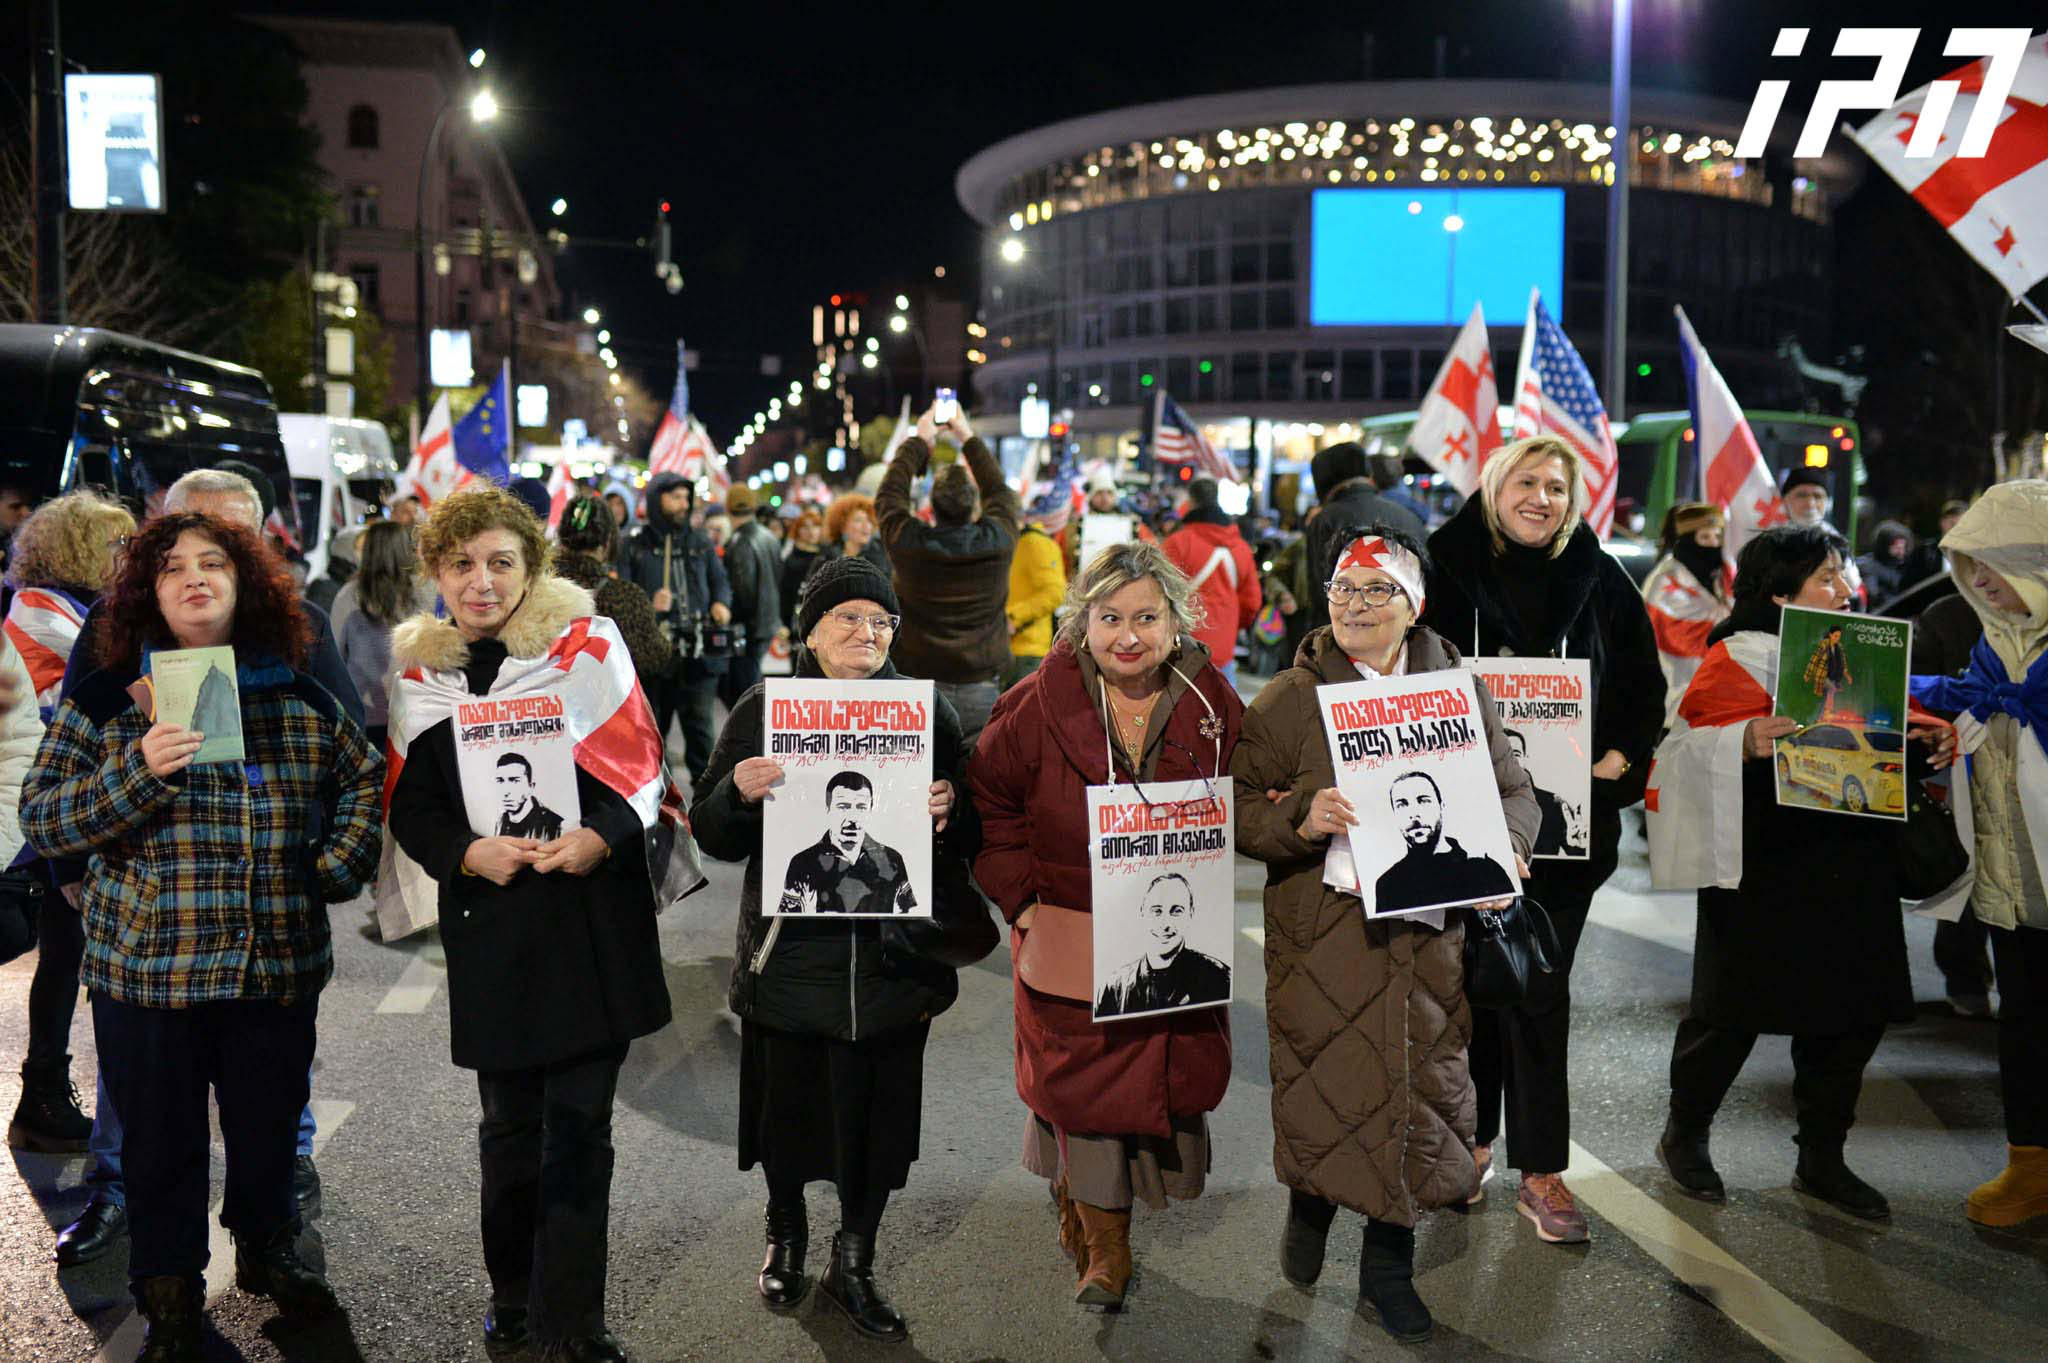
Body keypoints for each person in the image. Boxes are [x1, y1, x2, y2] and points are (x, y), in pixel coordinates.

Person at [21, 511, 383, 1360]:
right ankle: (169, 1287)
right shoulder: (111, 695)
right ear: (148, 591)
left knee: (267, 1134)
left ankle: (267, 1250)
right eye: (174, 567)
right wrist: (137, 769)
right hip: (150, 975)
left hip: (272, 963)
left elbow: (362, 776)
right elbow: (44, 815)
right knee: (159, 1145)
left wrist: (334, 864)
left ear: (243, 580)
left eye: (213, 563)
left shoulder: (294, 687)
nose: (195, 579)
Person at [386, 486, 674, 1363]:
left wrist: (603, 836)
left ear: (530, 567)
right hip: (497, 929)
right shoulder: (418, 676)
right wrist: (469, 854)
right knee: (509, 1131)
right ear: (437, 572)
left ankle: (574, 1322)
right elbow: (412, 805)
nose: (482, 582)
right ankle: (512, 1296)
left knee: (583, 1129)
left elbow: (644, 767)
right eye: (462, 563)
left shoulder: (588, 647)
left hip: (592, 924)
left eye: (501, 562)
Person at [1234, 523, 1535, 1342]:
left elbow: (1515, 787)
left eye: (1378, 590)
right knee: (1326, 1085)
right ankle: (1309, 1205)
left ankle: (1387, 1268)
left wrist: (1509, 843)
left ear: (1415, 605)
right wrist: (1301, 813)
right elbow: (1234, 805)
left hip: (1430, 941)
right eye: (1343, 589)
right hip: (1324, 936)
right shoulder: (1291, 697)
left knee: (1418, 1094)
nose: (1358, 604)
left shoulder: (1458, 690)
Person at [693, 553, 976, 1343]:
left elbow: (975, 837)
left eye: (882, 621)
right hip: (789, 961)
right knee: (789, 1118)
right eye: (849, 617)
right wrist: (737, 794)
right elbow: (709, 834)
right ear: (811, 630)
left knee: (878, 1130)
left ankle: (856, 1260)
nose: (868, 632)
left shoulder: (930, 714)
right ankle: (786, 1233)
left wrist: (951, 809)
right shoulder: (765, 706)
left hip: (894, 966)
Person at [968, 540, 1244, 1313]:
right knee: (1084, 1088)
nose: (1129, 633)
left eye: (1148, 616)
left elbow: (1253, 787)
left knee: (1160, 1081)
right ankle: (1106, 1248)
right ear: (1080, 623)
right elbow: (989, 806)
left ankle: (1085, 1207)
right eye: (1111, 616)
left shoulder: (1210, 699)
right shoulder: (1030, 704)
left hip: (1171, 934)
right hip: (1070, 932)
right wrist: (1021, 900)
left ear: (1178, 620)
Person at [1646, 524, 1932, 1221]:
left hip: (1851, 860)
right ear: (1779, 593)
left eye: (1845, 573)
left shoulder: (1863, 654)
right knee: (1731, 1016)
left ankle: (1822, 1157)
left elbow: (1893, 735)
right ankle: (1687, 1132)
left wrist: (1926, 735)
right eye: (1827, 577)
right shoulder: (1733, 660)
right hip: (1764, 865)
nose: (1846, 588)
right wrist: (1740, 738)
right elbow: (1678, 752)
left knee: (1851, 1014)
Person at [1423, 434, 1665, 1244]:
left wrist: (1616, 763)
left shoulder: (1601, 576)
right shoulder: (1439, 570)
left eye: (1557, 486)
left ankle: (1540, 1170)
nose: (1541, 497)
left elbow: (1643, 686)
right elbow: (1400, 675)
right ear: (1493, 486)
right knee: (1471, 994)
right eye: (1525, 481)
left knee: (1537, 990)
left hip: (1565, 835)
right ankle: (1471, 1148)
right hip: (1462, 825)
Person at [1908, 481, 2048, 1228]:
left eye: (1999, 560)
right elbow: (1961, 695)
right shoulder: (1993, 646)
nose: (1984, 579)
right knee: (2024, 1031)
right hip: (2013, 887)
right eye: (1972, 564)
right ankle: (2031, 1166)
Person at [4, 491, 131, 1157]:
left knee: (64, 955)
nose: (129, 559)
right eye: (118, 547)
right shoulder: (61, 627)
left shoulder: (39, 613)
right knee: (64, 955)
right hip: (41, 824)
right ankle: (45, 1094)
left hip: (42, 819)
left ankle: (44, 1094)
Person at [875, 406, 1021, 742]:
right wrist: (966, 437)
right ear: (974, 506)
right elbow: (1000, 492)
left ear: (932, 508)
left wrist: (919, 441)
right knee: (979, 779)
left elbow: (888, 497)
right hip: (981, 683)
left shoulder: (909, 543)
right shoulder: (997, 542)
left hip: (918, 684)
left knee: (921, 782)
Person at [624, 472, 732, 784]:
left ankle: (705, 810)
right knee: (652, 736)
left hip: (697, 657)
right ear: (658, 500)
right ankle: (653, 809)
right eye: (675, 497)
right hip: (657, 659)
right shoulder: (635, 544)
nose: (683, 504)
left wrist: (721, 602)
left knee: (702, 736)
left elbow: (720, 580)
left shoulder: (700, 542)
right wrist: (648, 603)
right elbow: (621, 600)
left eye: (686, 497)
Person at [553, 495, 672, 691]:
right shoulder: (627, 597)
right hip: (608, 712)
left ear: (562, 539)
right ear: (608, 542)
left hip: (553, 711)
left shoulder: (537, 592)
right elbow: (652, 658)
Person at [1303, 442, 1425, 629]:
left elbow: (1320, 596)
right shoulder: (1409, 517)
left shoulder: (1325, 521)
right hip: (1405, 636)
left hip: (1348, 638)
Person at [333, 519, 428, 753]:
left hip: (362, 713)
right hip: (415, 708)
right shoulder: (427, 591)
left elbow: (334, 654)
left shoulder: (348, 596)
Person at [772, 771, 916, 915]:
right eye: (843, 807)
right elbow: (789, 924)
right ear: (828, 809)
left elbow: (909, 920)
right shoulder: (803, 863)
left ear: (870, 810)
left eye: (861, 807)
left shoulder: (891, 859)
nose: (852, 818)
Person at [1162, 478, 1260, 690]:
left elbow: (1159, 595)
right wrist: (1231, 624)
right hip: (1224, 650)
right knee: (1226, 714)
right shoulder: (1241, 548)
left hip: (1182, 648)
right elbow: (1252, 603)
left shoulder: (1177, 543)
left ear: (1191, 502)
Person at [1642, 502, 1732, 728]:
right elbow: (1676, 634)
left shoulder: (1720, 578)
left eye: (1717, 537)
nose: (1713, 545)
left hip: (1715, 703)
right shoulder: (1665, 580)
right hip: (1673, 699)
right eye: (1705, 537)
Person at [1093, 872, 1230, 1017]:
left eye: (1176, 911)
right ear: (1142, 913)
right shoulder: (1115, 987)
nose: (1165, 924)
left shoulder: (1218, 976)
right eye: (1157, 911)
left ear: (1191, 914)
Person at [719, 486, 782, 708]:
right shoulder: (769, 537)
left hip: (748, 628)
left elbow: (743, 590)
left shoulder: (740, 542)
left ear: (728, 509)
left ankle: (750, 741)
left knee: (744, 696)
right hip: (766, 623)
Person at [1004, 506, 1067, 689]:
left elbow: (1055, 592)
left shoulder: (1036, 543)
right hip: (1006, 649)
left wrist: (1014, 617)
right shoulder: (1015, 543)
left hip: (1027, 651)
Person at [1779, 466, 1863, 600]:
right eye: (1801, 495)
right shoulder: (1772, 538)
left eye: (1817, 496)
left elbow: (1852, 585)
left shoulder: (1835, 540)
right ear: (1785, 500)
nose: (1810, 503)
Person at [1504, 729, 1587, 857]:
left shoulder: (1554, 806)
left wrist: (1577, 847)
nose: (1508, 762)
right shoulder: (1478, 804)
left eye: (1516, 754)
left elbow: (1579, 866)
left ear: (1525, 759)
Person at [1059, 469, 1154, 578]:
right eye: (1099, 493)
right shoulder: (1073, 528)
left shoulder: (1133, 526)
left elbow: (1151, 555)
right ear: (1090, 496)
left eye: (1109, 493)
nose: (1105, 498)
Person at [821, 492, 890, 577]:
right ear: (842, 526)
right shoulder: (826, 556)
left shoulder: (883, 555)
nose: (866, 526)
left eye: (869, 520)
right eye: (858, 520)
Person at [780, 511, 827, 635]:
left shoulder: (828, 556)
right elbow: (785, 595)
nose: (811, 531)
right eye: (805, 527)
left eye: (816, 526)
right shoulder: (790, 561)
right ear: (798, 531)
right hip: (798, 621)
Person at [1858, 520, 1914, 607]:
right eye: (1896, 548)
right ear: (1884, 546)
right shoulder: (1868, 566)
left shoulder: (1904, 567)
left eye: (1903, 548)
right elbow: (1873, 596)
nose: (1901, 552)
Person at [1803, 625, 1851, 720]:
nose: (1837, 638)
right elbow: (1814, 659)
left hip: (1834, 677)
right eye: (1835, 636)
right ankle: (1827, 712)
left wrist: (1847, 675)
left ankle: (1821, 716)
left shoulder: (1839, 647)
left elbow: (1843, 662)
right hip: (1822, 676)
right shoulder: (1824, 645)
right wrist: (1808, 674)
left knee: (1826, 697)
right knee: (1831, 689)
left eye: (1839, 636)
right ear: (1830, 635)